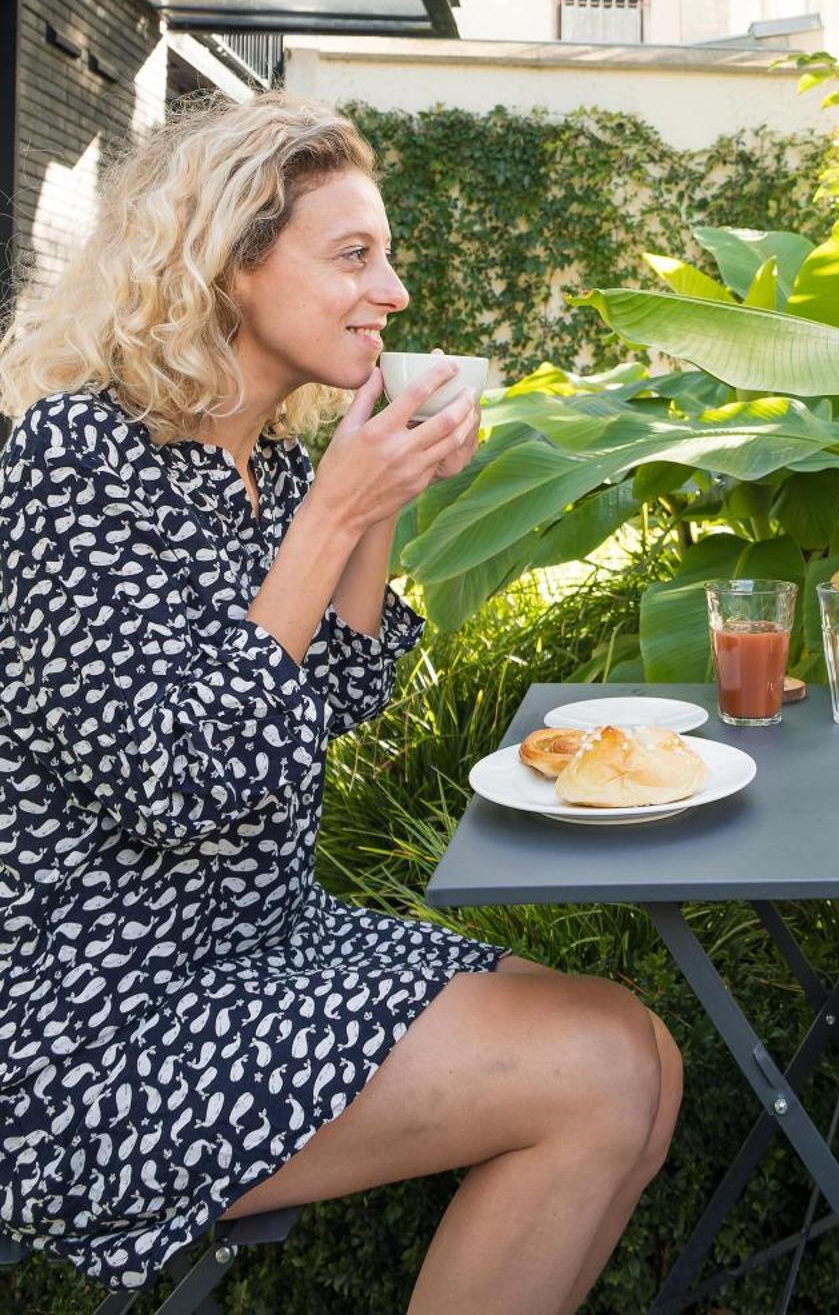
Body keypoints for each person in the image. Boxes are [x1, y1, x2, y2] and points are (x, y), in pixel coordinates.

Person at [0, 93, 680, 1315]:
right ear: (231, 265)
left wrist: (380, 495)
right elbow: (178, 777)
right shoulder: (73, 459)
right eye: (353, 255)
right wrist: (333, 517)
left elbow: (341, 693)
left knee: (643, 1048)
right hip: (95, 1025)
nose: (396, 290)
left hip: (262, 943)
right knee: (599, 1069)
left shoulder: (269, 470)